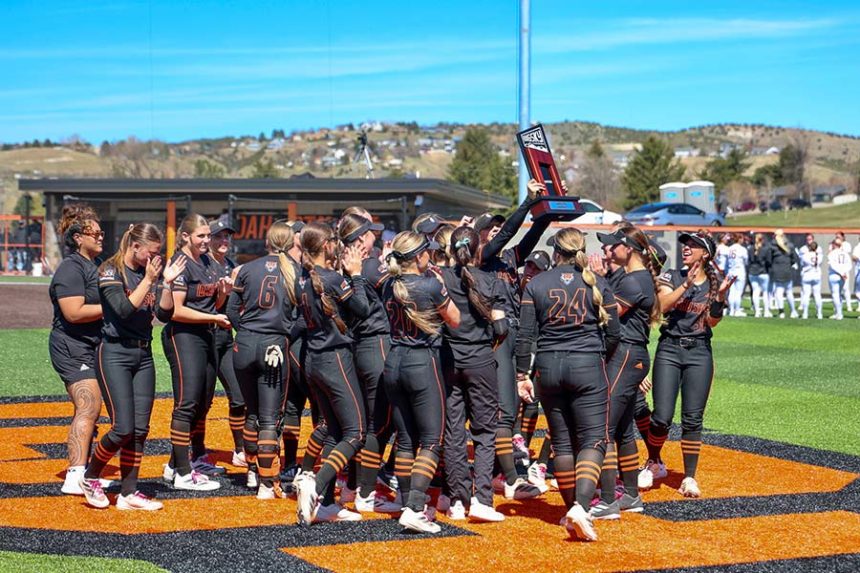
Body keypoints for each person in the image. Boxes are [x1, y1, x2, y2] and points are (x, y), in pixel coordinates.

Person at [515, 228, 620, 541]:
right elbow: (613, 334)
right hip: (586, 364)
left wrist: (522, 375)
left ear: (556, 251)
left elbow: (525, 337)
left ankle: (572, 507)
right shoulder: (598, 283)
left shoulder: (536, 283)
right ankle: (581, 506)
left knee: (561, 442)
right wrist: (598, 355)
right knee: (594, 440)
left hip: (548, 368)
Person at [78, 223, 184, 510]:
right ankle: (90, 476)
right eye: (151, 252)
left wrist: (168, 283)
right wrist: (149, 281)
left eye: (158, 254)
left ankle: (128, 492)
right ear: (135, 246)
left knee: (140, 429)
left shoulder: (147, 273)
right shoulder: (110, 271)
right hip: (114, 353)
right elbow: (124, 310)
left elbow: (163, 313)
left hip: (143, 355)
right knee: (123, 427)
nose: (155, 259)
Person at [638, 232, 734, 498]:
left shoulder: (713, 284)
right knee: (662, 416)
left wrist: (721, 298)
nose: (686, 248)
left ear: (706, 254)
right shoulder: (672, 276)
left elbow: (712, 322)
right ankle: (653, 461)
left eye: (693, 246)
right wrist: (686, 285)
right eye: (686, 245)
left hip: (699, 352)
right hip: (670, 349)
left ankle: (689, 477)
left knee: (693, 418)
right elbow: (661, 306)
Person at [378, 231, 460, 533]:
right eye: (427, 251)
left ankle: (406, 500)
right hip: (421, 362)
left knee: (406, 439)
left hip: (394, 360)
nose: (431, 255)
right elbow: (455, 319)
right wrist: (439, 287)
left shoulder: (390, 284)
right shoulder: (428, 284)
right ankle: (414, 506)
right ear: (417, 256)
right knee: (431, 439)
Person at [294, 222, 370, 525]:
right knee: (357, 433)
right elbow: (362, 309)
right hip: (335, 359)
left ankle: (325, 504)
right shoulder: (333, 278)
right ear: (326, 246)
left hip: (313, 359)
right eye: (334, 241)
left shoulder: (304, 280)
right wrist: (356, 275)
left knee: (334, 430)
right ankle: (316, 482)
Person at [477, 179, 551, 492]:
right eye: (490, 227)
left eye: (498, 226)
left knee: (510, 408)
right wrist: (526, 203)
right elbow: (508, 234)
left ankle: (499, 471)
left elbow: (532, 235)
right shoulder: (482, 255)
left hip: (514, 335)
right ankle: (507, 477)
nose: (496, 230)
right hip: (495, 339)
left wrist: (547, 209)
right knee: (503, 410)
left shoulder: (508, 258)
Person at [589, 226, 660, 520]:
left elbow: (606, 314)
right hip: (631, 355)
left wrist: (599, 280)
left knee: (604, 425)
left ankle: (608, 500)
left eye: (613, 245)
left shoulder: (635, 281)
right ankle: (630, 493)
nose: (609, 250)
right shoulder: (634, 278)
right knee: (622, 429)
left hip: (626, 354)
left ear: (628, 248)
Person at [336, 213, 402, 514]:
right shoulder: (371, 264)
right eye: (370, 233)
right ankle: (364, 492)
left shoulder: (342, 264)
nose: (375, 236)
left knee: (364, 423)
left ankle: (351, 485)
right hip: (377, 346)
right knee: (381, 424)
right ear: (360, 238)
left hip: (359, 347)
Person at [226, 221, 296, 499]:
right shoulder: (294, 271)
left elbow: (232, 309)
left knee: (252, 412)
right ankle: (267, 484)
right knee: (269, 418)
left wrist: (244, 332)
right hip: (273, 345)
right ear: (291, 244)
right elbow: (302, 316)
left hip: (244, 344)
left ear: (267, 242)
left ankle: (254, 472)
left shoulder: (246, 269)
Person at [162, 214, 231, 491]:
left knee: (202, 403)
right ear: (186, 237)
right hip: (183, 337)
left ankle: (173, 464)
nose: (205, 240)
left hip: (204, 336)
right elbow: (176, 311)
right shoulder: (180, 263)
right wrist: (214, 318)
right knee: (187, 403)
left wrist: (223, 294)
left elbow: (212, 303)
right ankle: (181, 472)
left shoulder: (207, 262)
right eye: (200, 236)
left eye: (207, 235)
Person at [49, 204, 106, 495]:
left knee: (93, 409)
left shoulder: (93, 265)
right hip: (71, 346)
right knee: (88, 406)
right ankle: (74, 475)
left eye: (100, 232)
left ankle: (85, 467)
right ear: (77, 238)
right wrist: (111, 308)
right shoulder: (71, 268)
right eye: (92, 233)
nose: (99, 237)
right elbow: (73, 312)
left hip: (91, 346)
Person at [208, 216, 246, 466]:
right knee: (199, 402)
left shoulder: (232, 265)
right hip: (203, 338)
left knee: (239, 396)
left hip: (225, 337)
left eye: (227, 236)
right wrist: (223, 296)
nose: (224, 240)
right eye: (218, 235)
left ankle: (240, 449)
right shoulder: (202, 265)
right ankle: (182, 459)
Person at [770, 229, 799, 319]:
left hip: (777, 270)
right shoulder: (790, 245)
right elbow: (794, 259)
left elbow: (769, 259)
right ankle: (793, 311)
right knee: (789, 292)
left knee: (779, 291)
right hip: (787, 270)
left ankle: (781, 312)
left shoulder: (772, 246)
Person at [827, 234, 852, 320]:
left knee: (835, 295)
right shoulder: (845, 254)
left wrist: (841, 272)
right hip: (843, 276)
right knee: (839, 294)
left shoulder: (832, 253)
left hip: (834, 275)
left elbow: (833, 265)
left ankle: (839, 314)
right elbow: (849, 265)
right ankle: (837, 313)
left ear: (834, 245)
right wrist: (844, 272)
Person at [748, 233, 772, 318]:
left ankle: (757, 312)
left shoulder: (750, 248)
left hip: (752, 272)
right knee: (765, 293)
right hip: (763, 272)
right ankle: (766, 311)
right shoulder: (766, 249)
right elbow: (769, 261)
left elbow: (749, 261)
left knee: (755, 292)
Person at [799, 241, 824, 320]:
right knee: (817, 295)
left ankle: (805, 313)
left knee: (806, 295)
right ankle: (819, 314)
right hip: (816, 275)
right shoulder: (819, 256)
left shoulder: (805, 255)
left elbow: (802, 263)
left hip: (807, 275)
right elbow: (819, 263)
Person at [726, 233, 749, 317]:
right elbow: (746, 261)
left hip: (731, 271)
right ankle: (737, 310)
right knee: (738, 293)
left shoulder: (729, 248)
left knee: (732, 292)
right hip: (740, 271)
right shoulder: (742, 249)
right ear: (739, 239)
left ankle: (731, 310)